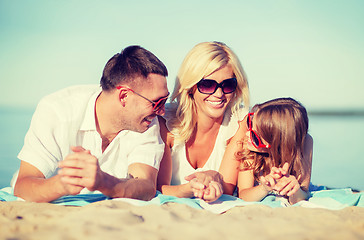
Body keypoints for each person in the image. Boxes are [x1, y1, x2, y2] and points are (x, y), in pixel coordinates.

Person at [12, 45, 170, 203]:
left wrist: (103, 181)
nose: (162, 111)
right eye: (157, 102)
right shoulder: (57, 111)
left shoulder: (147, 122)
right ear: (124, 96)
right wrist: (64, 183)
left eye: (165, 100)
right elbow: (23, 186)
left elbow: (146, 186)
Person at [157, 41, 250, 202]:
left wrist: (215, 177)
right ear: (191, 86)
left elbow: (227, 189)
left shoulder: (239, 122)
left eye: (228, 85)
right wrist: (189, 189)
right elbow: (158, 188)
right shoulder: (165, 122)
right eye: (207, 84)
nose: (219, 93)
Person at [219, 97, 313, 205]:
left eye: (255, 137)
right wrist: (265, 188)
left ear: (276, 144)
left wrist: (293, 189)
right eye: (250, 124)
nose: (247, 134)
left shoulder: (306, 142)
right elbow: (243, 195)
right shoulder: (249, 147)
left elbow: (304, 193)